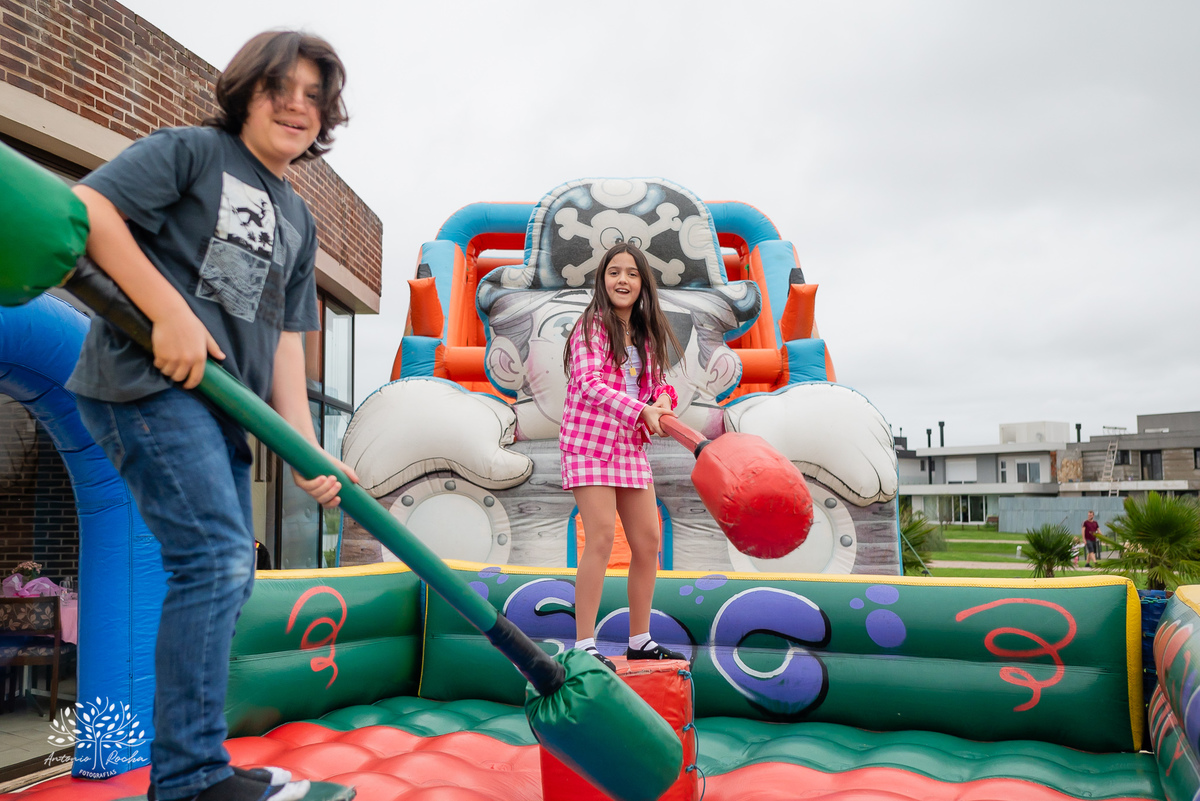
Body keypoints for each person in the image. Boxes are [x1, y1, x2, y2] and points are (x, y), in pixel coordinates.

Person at [67, 31, 357, 801]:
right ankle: (192, 781)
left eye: (312, 96)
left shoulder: (299, 218)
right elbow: (89, 206)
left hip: (226, 415)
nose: (296, 106)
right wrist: (166, 310)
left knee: (227, 573)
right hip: (150, 383)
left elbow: (289, 347)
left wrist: (303, 449)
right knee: (218, 560)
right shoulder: (192, 151)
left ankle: (199, 765)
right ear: (245, 92)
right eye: (278, 88)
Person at [559, 243, 686, 670]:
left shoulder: (646, 335)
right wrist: (642, 410)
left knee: (648, 541)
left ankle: (640, 639)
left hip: (628, 446)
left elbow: (659, 386)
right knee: (598, 539)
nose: (623, 280)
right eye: (615, 272)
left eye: (632, 274)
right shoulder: (591, 327)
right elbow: (589, 384)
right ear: (602, 279)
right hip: (590, 443)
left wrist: (663, 402)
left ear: (642, 283)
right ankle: (583, 644)